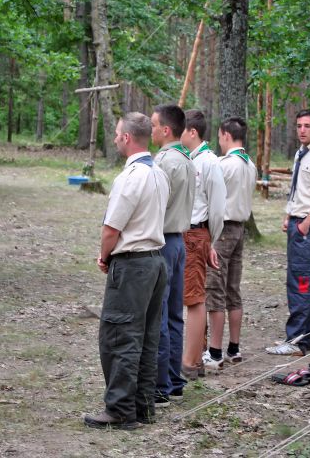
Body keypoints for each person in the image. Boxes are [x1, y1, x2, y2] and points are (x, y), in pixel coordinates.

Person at [84, 112, 170, 430]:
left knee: (120, 336)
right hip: (156, 262)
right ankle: (142, 406)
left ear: (127, 138)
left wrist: (105, 257)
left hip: (133, 264)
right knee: (146, 337)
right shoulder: (159, 173)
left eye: (118, 133)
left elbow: (111, 229)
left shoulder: (131, 177)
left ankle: (120, 409)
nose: (116, 138)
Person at [266, 109, 310, 357]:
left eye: (307, 126)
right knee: (297, 279)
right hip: (296, 222)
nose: (302, 130)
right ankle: (300, 338)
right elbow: (299, 189)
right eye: (299, 126)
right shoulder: (301, 154)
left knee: (302, 282)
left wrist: (306, 223)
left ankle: (297, 340)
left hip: (308, 226)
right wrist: (289, 215)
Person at [151, 104, 196, 404]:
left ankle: (161, 385)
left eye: (154, 125)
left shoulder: (164, 162)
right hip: (180, 241)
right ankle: (175, 380)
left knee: (160, 315)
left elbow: (154, 204)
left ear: (166, 130)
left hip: (165, 241)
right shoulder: (188, 160)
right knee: (175, 316)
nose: (151, 129)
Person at [203, 117, 257, 369]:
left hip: (223, 230)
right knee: (233, 289)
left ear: (225, 135)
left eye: (219, 135)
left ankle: (214, 352)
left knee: (215, 288)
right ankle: (234, 348)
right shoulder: (250, 165)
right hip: (239, 229)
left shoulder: (225, 165)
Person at [180, 109, 226, 380]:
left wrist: (211, 240)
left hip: (197, 234)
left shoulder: (209, 162)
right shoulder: (189, 159)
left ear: (193, 132)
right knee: (190, 296)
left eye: (181, 130)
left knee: (194, 299)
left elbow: (217, 208)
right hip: (187, 235)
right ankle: (194, 359)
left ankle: (189, 363)